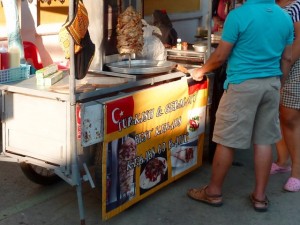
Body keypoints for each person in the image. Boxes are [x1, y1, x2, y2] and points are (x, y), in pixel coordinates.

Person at [187, 0, 294, 212]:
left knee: (226, 140)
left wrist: (199, 72)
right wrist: (277, 84)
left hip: (243, 85)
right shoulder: (284, 17)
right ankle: (260, 197)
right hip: (271, 83)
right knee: (264, 142)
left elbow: (220, 56)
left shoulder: (239, 15)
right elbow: (287, 58)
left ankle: (213, 192)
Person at [275, 0, 300, 192]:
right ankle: (283, 161)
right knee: (276, 114)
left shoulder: (297, 5)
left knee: (290, 116)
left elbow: (299, 39)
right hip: (276, 64)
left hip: (293, 66)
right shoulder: (273, 4)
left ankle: (297, 172)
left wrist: (287, 65)